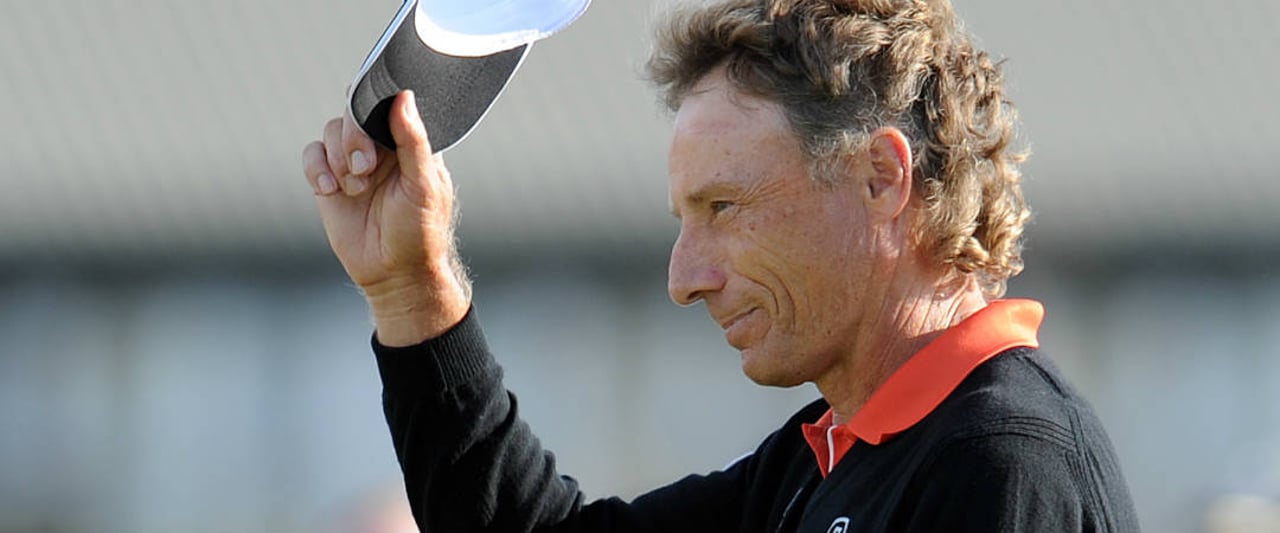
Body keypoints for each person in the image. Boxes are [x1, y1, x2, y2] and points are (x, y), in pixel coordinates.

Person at [301, 0, 1139, 531]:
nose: (684, 276)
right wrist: (412, 292)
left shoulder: (1006, 462)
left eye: (723, 209)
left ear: (882, 178)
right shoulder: (818, 462)